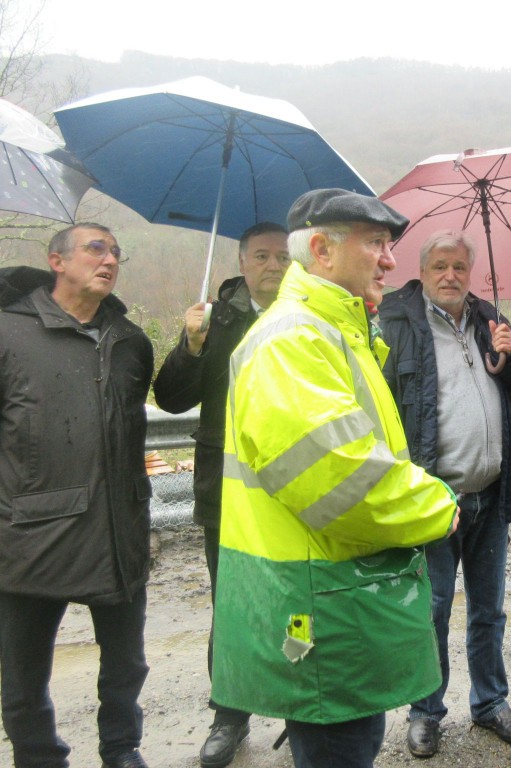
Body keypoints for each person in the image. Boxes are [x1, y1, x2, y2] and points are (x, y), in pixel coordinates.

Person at [209, 189, 460, 768]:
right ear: (321, 249)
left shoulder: (335, 331)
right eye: (375, 243)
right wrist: (438, 508)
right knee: (338, 749)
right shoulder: (294, 340)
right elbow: (340, 479)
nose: (390, 260)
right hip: (317, 598)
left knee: (351, 742)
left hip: (331, 592)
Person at [378, 229, 511, 758]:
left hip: (491, 495)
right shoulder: (397, 323)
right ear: (423, 272)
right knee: (433, 611)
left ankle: (491, 702)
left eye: (459, 268)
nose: (450, 276)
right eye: (440, 266)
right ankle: (426, 712)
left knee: (490, 611)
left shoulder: (490, 320)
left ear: (470, 273)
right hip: (433, 500)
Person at [0, 225, 154, 768]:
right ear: (56, 261)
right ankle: (39, 758)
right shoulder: (8, 334)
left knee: (126, 665)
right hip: (28, 536)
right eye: (96, 248)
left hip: (118, 528)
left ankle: (121, 750)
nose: (110, 258)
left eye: (116, 251)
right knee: (22, 677)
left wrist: (195, 346)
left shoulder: (132, 340)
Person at [152, 222, 289, 767]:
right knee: (231, 605)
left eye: (282, 255)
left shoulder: (308, 317)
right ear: (241, 261)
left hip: (291, 486)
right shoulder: (216, 318)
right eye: (262, 256)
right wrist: (190, 346)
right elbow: (170, 398)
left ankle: (299, 705)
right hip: (226, 487)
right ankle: (229, 714)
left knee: (295, 601)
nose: (273, 265)